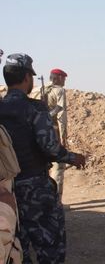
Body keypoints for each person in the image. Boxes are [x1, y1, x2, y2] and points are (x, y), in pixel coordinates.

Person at [0, 53, 85, 264]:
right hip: (35, 187)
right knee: (51, 245)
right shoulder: (35, 108)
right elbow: (49, 148)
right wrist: (73, 157)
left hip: (7, 189)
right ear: (27, 77)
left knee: (18, 245)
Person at [31, 68, 69, 202]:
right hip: (53, 132)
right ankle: (56, 201)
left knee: (41, 167)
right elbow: (61, 116)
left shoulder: (34, 90)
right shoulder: (59, 91)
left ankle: (42, 199)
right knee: (58, 167)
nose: (64, 81)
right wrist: (63, 138)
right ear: (57, 78)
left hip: (34, 135)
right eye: (63, 78)